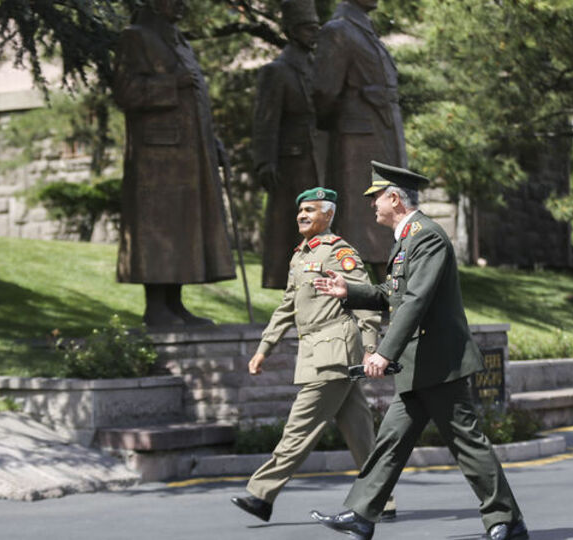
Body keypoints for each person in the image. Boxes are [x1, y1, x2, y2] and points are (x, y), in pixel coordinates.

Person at [309, 162, 528, 540]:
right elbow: (392, 295)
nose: (372, 204)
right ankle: (362, 515)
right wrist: (351, 290)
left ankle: (506, 520)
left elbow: (415, 300)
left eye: (376, 197)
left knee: (467, 443)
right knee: (392, 440)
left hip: (439, 363)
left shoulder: (426, 236)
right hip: (420, 364)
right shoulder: (407, 239)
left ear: (394, 197)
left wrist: (384, 353)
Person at [230, 187, 396, 523]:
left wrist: (369, 348)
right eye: (300, 210)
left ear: (328, 215)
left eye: (310, 210)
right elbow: (287, 306)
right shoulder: (301, 255)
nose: (302, 215)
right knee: (360, 432)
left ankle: (261, 494)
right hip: (319, 353)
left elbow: (363, 299)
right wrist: (265, 348)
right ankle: (383, 499)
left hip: (335, 355)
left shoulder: (339, 252)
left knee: (299, 428)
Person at [112, 0, 236, 326]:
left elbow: (194, 101)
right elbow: (125, 93)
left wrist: (212, 142)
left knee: (182, 227)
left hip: (188, 155)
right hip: (156, 158)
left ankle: (175, 304)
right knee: (159, 228)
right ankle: (155, 306)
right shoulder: (135, 37)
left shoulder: (180, 42)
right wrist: (170, 84)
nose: (182, 4)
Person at [313, 0, 409, 278]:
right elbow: (323, 92)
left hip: (382, 135)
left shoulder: (364, 30)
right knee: (362, 215)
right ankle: (358, 285)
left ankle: (388, 284)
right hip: (356, 142)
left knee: (388, 206)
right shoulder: (338, 30)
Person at [253, 0, 323, 289]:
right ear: (293, 31)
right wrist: (264, 162)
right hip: (289, 165)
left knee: (319, 230)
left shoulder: (315, 67)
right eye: (308, 28)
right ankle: (294, 293)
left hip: (315, 161)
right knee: (290, 232)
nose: (314, 33)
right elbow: (265, 121)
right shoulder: (278, 71)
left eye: (316, 28)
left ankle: (317, 289)